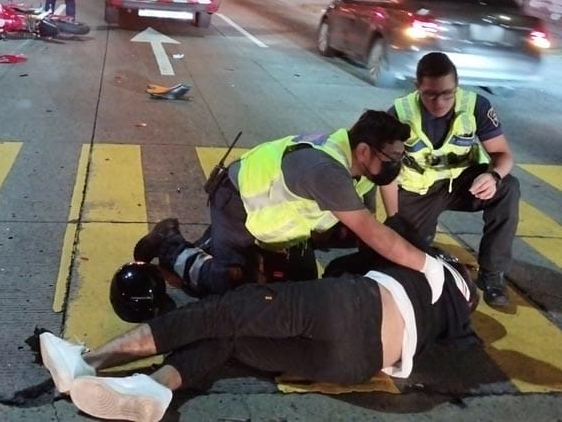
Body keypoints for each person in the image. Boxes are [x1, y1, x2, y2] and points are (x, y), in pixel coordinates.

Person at [38, 250, 478, 422]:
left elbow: (350, 259)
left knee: (223, 314)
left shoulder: (434, 266)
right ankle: (154, 388)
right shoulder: (454, 319)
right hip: (355, 364)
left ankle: (89, 361)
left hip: (348, 308)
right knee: (231, 343)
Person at [134, 110, 447, 302]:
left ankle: (215, 243)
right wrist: (429, 267)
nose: (397, 165)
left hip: (279, 223)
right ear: (364, 151)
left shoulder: (359, 167)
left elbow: (366, 226)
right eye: (392, 159)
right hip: (237, 205)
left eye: (400, 157)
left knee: (300, 290)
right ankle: (172, 243)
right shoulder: (327, 171)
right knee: (228, 286)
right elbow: (373, 233)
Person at [380, 51, 520, 308]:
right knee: (409, 258)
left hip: (462, 184)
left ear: (457, 86)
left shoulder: (476, 106)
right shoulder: (399, 114)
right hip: (418, 191)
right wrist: (393, 217)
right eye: (431, 95)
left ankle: (491, 276)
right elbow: (386, 173)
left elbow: (503, 154)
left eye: (448, 93)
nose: (440, 102)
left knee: (508, 187)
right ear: (417, 87)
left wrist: (493, 175)